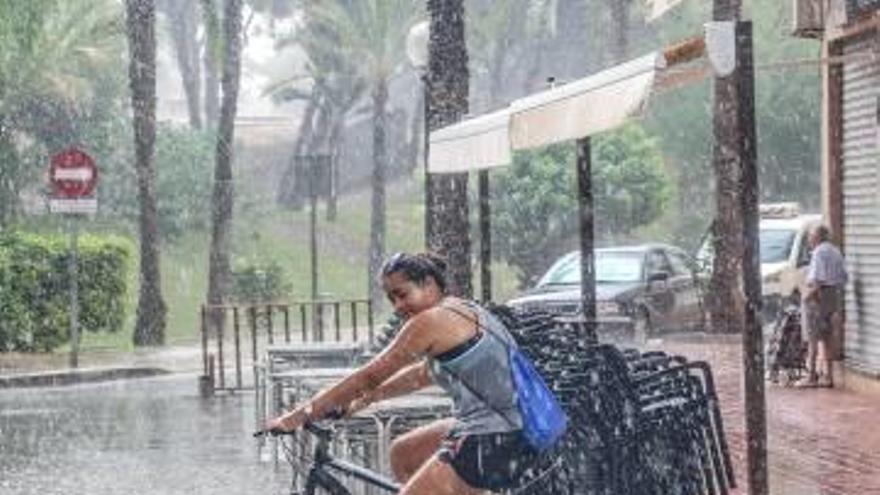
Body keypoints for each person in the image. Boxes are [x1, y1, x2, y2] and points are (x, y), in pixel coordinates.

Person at [265, 252, 539, 494]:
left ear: (429, 284)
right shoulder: (461, 308)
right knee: (403, 453)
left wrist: (299, 415)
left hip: (495, 437)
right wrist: (366, 400)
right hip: (508, 428)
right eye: (391, 297)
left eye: (402, 294)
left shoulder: (430, 321)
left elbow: (368, 376)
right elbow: (423, 374)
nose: (397, 305)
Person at [797, 224, 847, 388]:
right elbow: (843, 277)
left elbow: (818, 280)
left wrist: (806, 297)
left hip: (818, 297)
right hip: (833, 296)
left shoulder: (819, 252)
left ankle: (811, 377)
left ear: (818, 237)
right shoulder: (836, 251)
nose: (810, 239)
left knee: (812, 338)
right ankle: (829, 377)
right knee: (828, 338)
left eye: (811, 235)